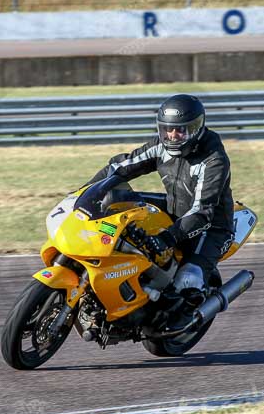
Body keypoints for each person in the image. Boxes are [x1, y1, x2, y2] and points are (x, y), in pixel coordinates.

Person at [86, 94, 234, 315]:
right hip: (174, 211)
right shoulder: (161, 146)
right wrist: (85, 192)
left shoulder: (213, 160)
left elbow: (202, 211)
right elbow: (120, 167)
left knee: (188, 279)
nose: (173, 136)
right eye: (167, 130)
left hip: (211, 226)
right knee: (119, 202)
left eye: (180, 130)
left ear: (195, 129)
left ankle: (185, 317)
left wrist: (167, 237)